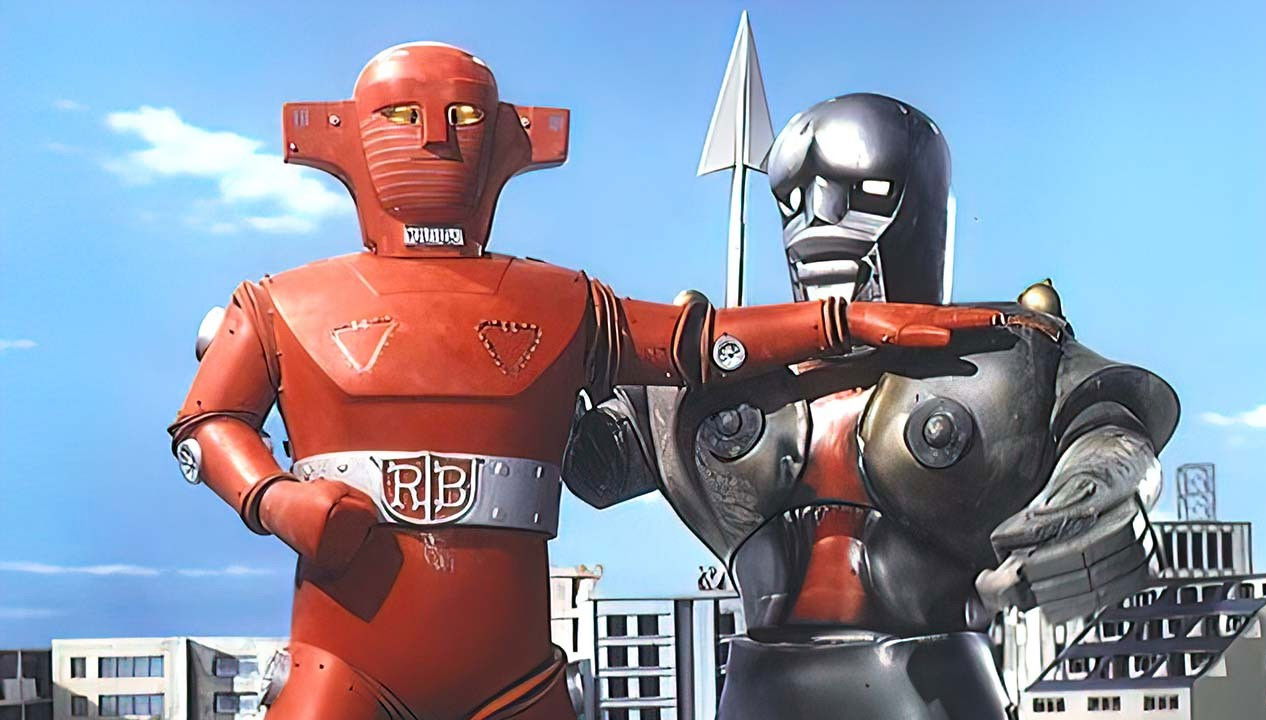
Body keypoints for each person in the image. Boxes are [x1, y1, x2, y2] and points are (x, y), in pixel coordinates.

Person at [168, 49, 1000, 720]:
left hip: (513, 676)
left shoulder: (560, 302)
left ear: (507, 136)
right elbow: (207, 424)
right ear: (345, 134)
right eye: (402, 117)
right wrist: (272, 498)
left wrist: (840, 322)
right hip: (343, 665)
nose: (435, 141)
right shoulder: (279, 303)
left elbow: (696, 344)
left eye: (463, 117)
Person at [563, 93, 1177, 720]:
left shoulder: (1004, 360)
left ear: (921, 205)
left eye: (865, 192)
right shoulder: (716, 377)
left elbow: (1107, 429)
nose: (820, 220)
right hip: (763, 691)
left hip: (931, 689)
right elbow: (594, 463)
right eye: (794, 201)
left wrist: (1086, 496)